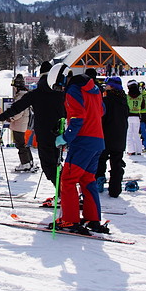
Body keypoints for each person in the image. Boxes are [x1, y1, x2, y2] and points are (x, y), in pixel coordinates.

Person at [48, 64, 106, 234]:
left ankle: (70, 220)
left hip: (82, 142)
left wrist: (65, 137)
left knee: (68, 180)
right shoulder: (93, 88)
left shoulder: (74, 90)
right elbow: (101, 110)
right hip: (97, 141)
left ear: (63, 78)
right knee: (88, 180)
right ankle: (92, 218)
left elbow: (77, 118)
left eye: (60, 86)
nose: (61, 90)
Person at [0, 61, 65, 190]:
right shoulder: (61, 92)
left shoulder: (36, 93)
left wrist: (0, 117)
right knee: (57, 164)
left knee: (49, 165)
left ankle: (63, 192)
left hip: (44, 134)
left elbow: (18, 107)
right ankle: (65, 192)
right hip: (60, 132)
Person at [96, 76, 128, 197]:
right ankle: (115, 189)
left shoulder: (106, 100)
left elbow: (101, 117)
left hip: (106, 134)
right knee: (117, 163)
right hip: (120, 135)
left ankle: (99, 182)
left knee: (101, 159)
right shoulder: (124, 100)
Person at [7, 74, 35, 172]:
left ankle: (25, 163)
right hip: (23, 123)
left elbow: (18, 111)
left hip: (19, 124)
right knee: (24, 144)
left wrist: (11, 118)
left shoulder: (20, 96)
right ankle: (29, 161)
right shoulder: (25, 94)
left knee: (20, 144)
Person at [125, 80, 143, 155]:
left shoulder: (127, 96)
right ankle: (139, 150)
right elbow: (143, 106)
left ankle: (131, 150)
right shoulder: (141, 96)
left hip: (129, 116)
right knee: (136, 134)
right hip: (137, 116)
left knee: (129, 134)